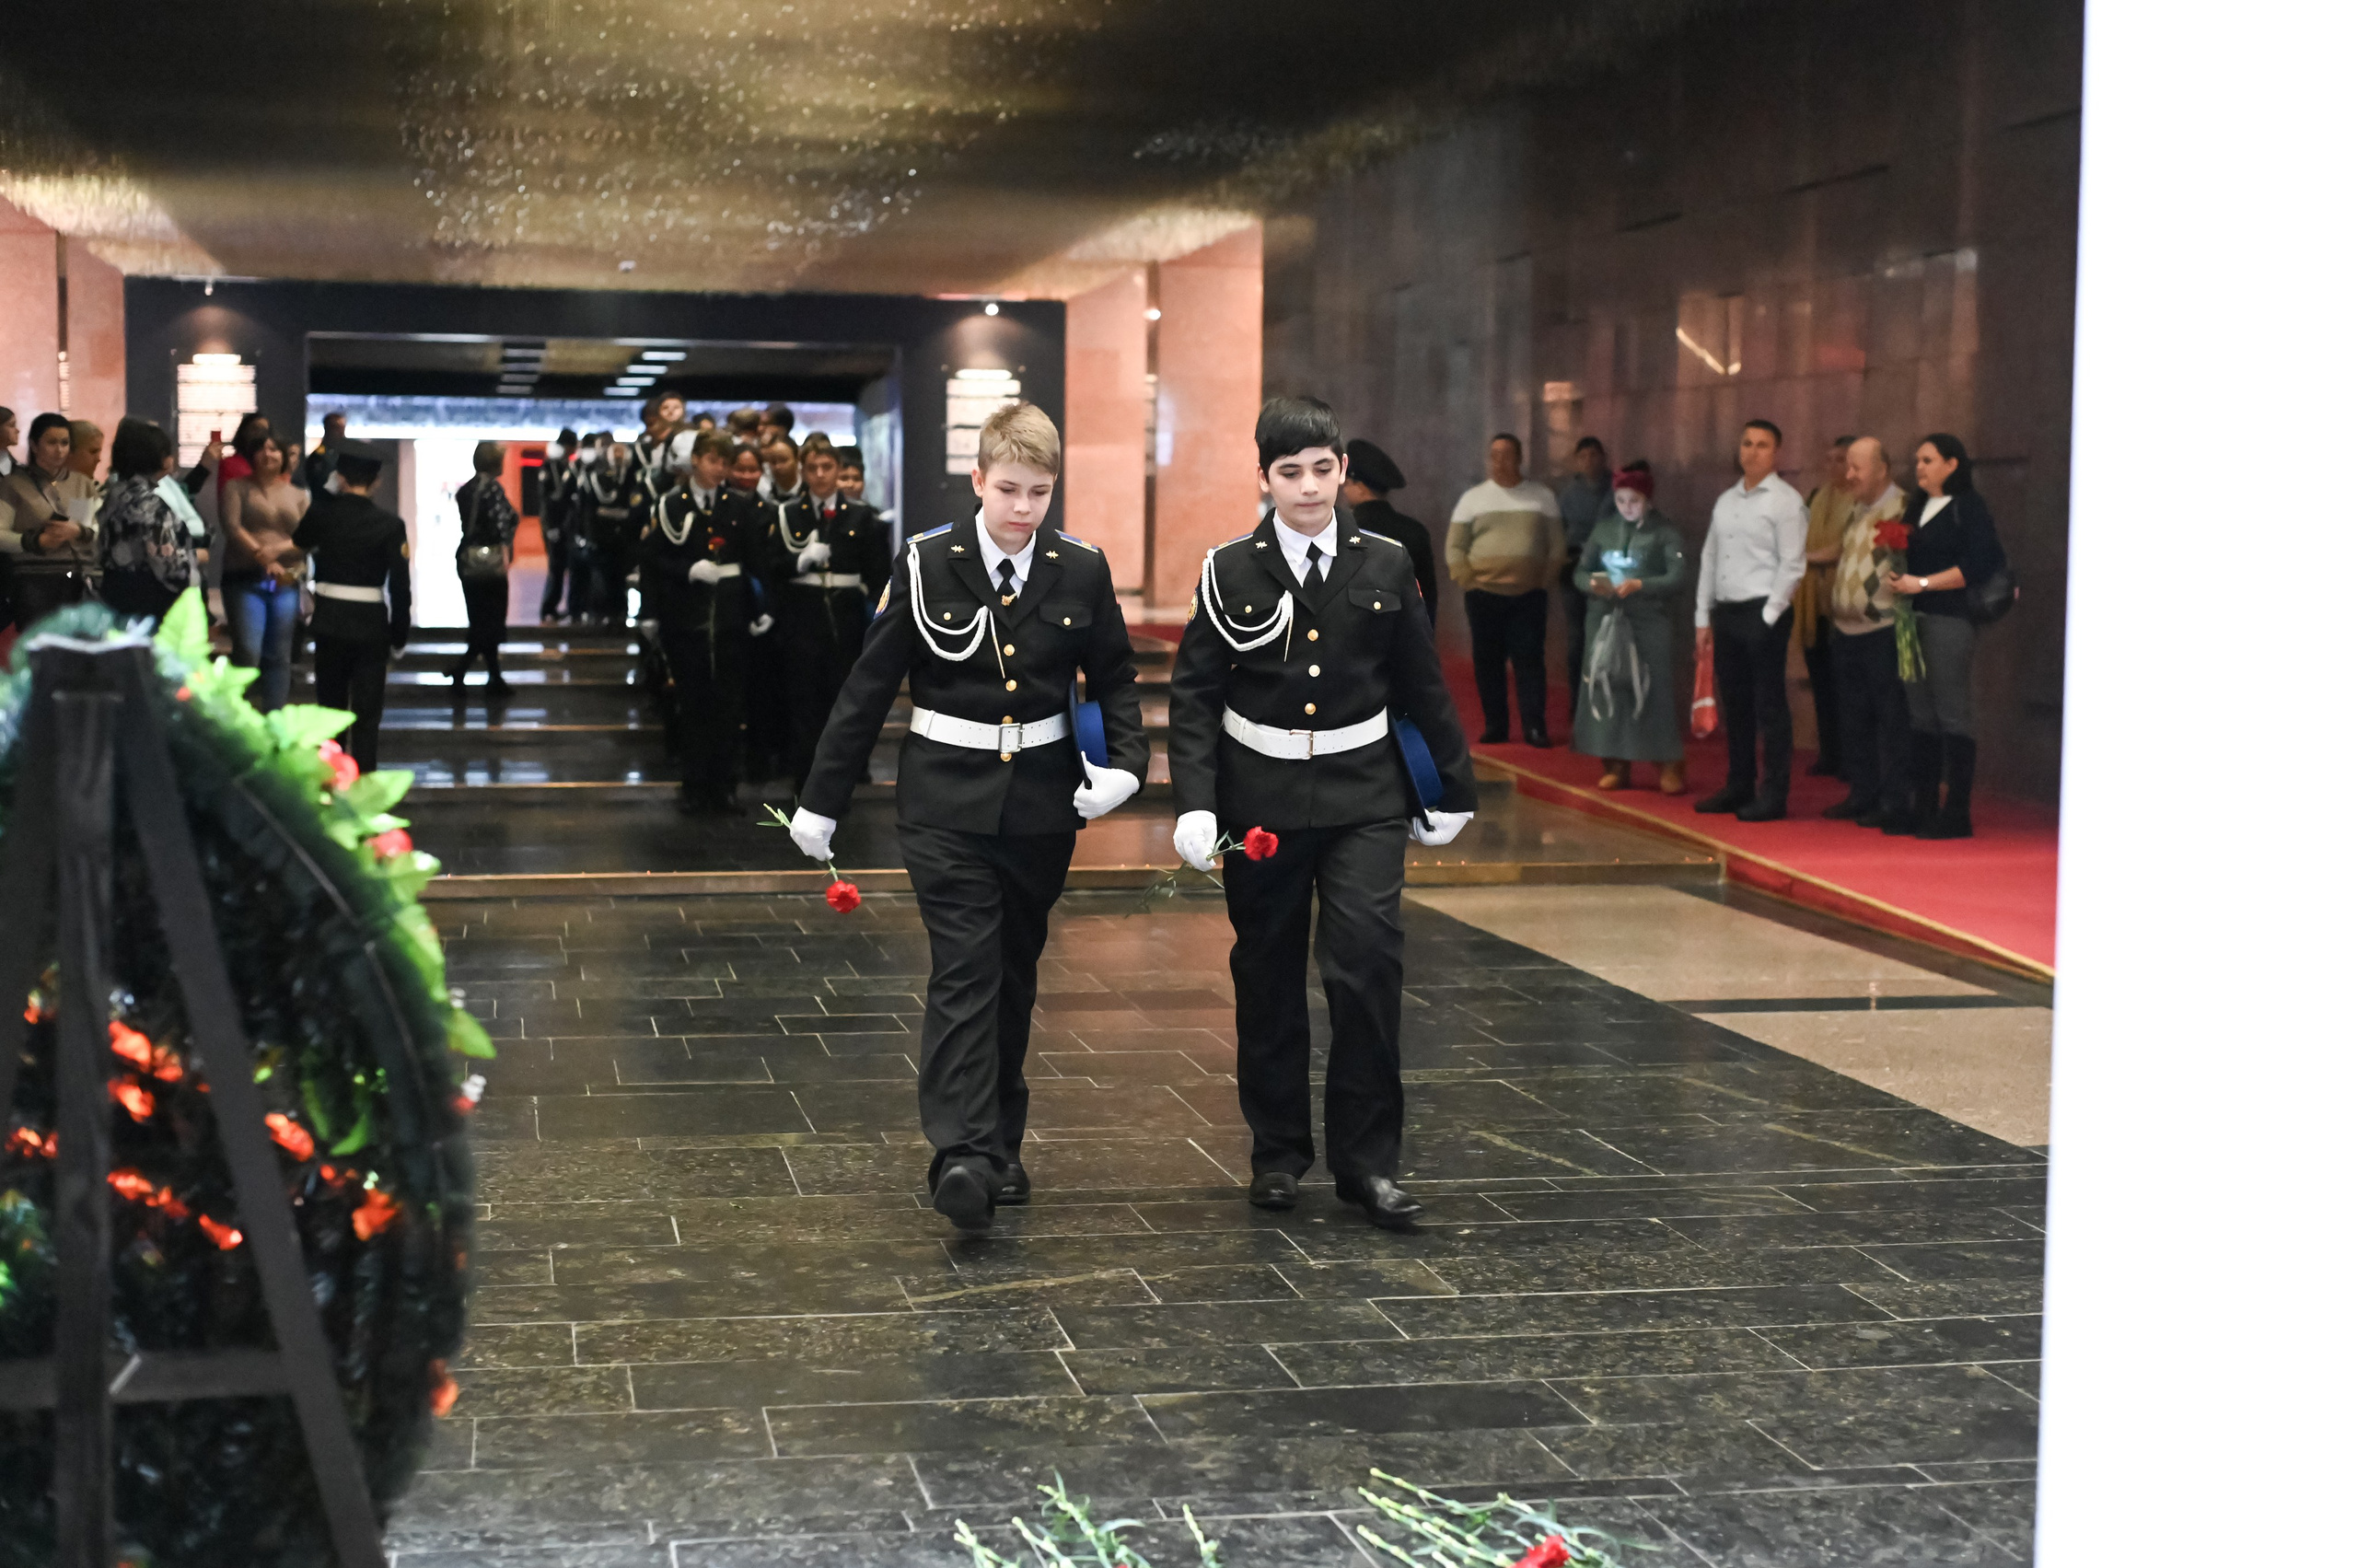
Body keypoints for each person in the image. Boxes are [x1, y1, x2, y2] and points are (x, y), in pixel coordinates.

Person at [787, 403, 1145, 1231]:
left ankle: (1001, 1142)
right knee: (966, 965)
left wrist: (1126, 765)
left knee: (1013, 972)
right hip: (944, 799)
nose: (1023, 509)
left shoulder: (1081, 569)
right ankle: (961, 1151)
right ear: (978, 480)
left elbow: (1116, 677)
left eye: (1040, 493)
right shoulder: (925, 565)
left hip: (1043, 805)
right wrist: (820, 799)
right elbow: (866, 691)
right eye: (1010, 489)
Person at [1169, 397, 1478, 1232]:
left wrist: (1453, 786)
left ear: (1343, 470)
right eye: (1289, 471)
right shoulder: (1228, 567)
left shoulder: (1384, 562)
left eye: (1323, 469)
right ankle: (1277, 1152)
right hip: (1261, 795)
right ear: (1264, 477)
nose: (1308, 487)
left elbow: (1421, 680)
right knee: (1266, 974)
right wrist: (1195, 801)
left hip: (1363, 793)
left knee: (1367, 965)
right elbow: (1196, 694)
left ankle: (1369, 1162)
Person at [1887, 433, 2008, 840]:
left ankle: (1956, 811)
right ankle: (1923, 806)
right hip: (1913, 617)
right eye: (1917, 460)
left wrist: (1919, 583)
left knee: (1951, 711)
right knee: (1921, 712)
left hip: (1949, 617)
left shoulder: (1968, 507)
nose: (1919, 467)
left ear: (1953, 464)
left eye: (1928, 460)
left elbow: (1976, 565)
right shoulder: (1917, 505)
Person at [1693, 419, 1807, 821]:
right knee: (1736, 704)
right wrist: (1702, 617)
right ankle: (1739, 784)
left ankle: (1773, 794)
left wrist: (1769, 615)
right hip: (1726, 611)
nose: (1753, 451)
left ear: (1776, 453)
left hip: (1763, 612)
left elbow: (1793, 565)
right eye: (1747, 443)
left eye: (1762, 445)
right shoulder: (1726, 501)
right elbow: (1710, 557)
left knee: (1769, 705)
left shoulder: (1785, 501)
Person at [643, 430, 756, 815]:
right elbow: (653, 560)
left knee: (728, 707)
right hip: (686, 617)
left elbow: (753, 562)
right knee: (693, 706)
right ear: (696, 460)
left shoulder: (737, 506)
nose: (719, 469)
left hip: (728, 619)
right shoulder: (671, 505)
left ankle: (724, 787)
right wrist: (686, 570)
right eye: (712, 461)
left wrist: (758, 610)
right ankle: (694, 787)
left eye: (725, 463)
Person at [776, 432, 892, 790]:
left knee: (844, 700)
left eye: (828, 467)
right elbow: (770, 565)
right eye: (812, 468)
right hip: (803, 617)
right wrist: (799, 562)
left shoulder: (862, 516)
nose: (821, 475)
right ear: (803, 471)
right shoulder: (787, 513)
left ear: (839, 470)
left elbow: (879, 575)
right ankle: (806, 775)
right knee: (804, 699)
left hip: (846, 616)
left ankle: (845, 772)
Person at [1572, 464, 1688, 794]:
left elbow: (1676, 576)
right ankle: (1615, 763)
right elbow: (1580, 572)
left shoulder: (1664, 532)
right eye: (1621, 500)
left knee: (1654, 690)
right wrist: (1594, 585)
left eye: (1634, 501)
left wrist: (1641, 584)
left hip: (1647, 620)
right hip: (1605, 617)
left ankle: (1668, 763)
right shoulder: (1604, 529)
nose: (1627, 508)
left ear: (1647, 500)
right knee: (1610, 686)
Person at [293, 451, 411, 772]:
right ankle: (365, 783)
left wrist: (326, 496)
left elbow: (299, 539)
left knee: (330, 710)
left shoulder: (323, 515)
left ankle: (332, 780)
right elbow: (400, 586)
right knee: (367, 714)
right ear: (377, 483)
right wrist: (399, 634)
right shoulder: (390, 524)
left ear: (340, 478)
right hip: (371, 623)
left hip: (330, 620)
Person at [1446, 433, 1563, 746]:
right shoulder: (1473, 499)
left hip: (1528, 596)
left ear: (1520, 458)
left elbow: (1556, 545)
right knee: (1488, 663)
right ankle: (1496, 726)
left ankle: (1534, 727)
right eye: (1494, 455)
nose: (1500, 462)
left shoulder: (1541, 497)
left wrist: (1544, 579)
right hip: (1483, 594)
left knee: (1529, 662)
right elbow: (1455, 547)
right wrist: (1468, 581)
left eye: (1507, 455)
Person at [1822, 437, 1912, 830]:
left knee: (1890, 717)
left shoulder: (1903, 507)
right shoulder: (1856, 510)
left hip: (1883, 628)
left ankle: (1894, 799)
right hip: (1847, 629)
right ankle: (1862, 792)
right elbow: (1841, 553)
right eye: (1848, 466)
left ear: (1882, 469)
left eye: (1857, 467)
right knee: (1854, 716)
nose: (1849, 474)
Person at [221, 430, 312, 709]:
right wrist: (263, 557)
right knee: (248, 651)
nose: (268, 454)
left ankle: (275, 715)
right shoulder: (236, 488)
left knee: (280, 654)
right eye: (262, 448)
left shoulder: (299, 494)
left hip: (285, 580)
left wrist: (279, 551)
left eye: (274, 449)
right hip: (245, 577)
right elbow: (233, 527)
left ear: (284, 456)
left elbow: (308, 538)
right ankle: (236, 713)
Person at [93, 419, 200, 621]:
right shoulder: (150, 505)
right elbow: (167, 564)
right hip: (148, 602)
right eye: (167, 453)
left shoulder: (113, 495)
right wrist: (192, 565)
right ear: (155, 458)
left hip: (113, 594)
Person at [1, 412, 99, 629]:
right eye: (51, 443)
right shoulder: (14, 484)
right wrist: (35, 541)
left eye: (65, 443)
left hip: (75, 578)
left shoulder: (80, 483)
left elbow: (86, 527)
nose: (60, 450)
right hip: (34, 580)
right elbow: (1, 534)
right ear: (35, 446)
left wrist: (78, 531)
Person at [1794, 435, 1855, 780]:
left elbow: (1843, 547)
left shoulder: (1859, 503)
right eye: (1830, 459)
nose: (1834, 467)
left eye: (1842, 460)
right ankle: (1829, 752)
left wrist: (1806, 559)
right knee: (1821, 683)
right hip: (1811, 604)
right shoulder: (1817, 497)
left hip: (1842, 604)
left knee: (1845, 686)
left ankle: (1850, 756)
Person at [1340, 438, 1436, 621]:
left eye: (1348, 483)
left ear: (1360, 487)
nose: (1344, 490)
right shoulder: (1415, 531)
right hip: (1405, 635)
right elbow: (1428, 596)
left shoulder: (1343, 532)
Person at [450, 442, 519, 693]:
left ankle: (491, 676)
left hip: (468, 558)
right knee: (491, 620)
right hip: (489, 563)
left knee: (479, 617)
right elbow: (503, 524)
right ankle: (464, 670)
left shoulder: (466, 490)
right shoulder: (493, 490)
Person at [579, 433, 644, 624]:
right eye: (614, 452)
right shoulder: (597, 479)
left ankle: (621, 614)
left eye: (621, 452)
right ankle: (601, 614)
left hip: (625, 540)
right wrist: (588, 535)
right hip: (602, 538)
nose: (618, 456)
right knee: (602, 579)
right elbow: (588, 510)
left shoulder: (634, 480)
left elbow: (636, 508)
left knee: (623, 579)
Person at [538, 428, 580, 626]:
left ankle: (554, 608)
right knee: (556, 568)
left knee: (563, 567)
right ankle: (548, 608)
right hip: (555, 525)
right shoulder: (551, 466)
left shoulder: (563, 465)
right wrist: (551, 527)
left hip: (564, 525)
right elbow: (549, 501)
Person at [302, 412, 347, 494]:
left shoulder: (345, 453)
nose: (341, 432)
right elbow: (316, 480)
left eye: (343, 428)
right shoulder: (318, 455)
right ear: (327, 428)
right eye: (336, 428)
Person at [758, 435, 802, 504]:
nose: (777, 467)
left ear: (797, 459)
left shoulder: (811, 492)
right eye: (773, 462)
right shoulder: (763, 495)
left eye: (783, 460)